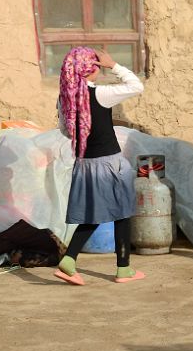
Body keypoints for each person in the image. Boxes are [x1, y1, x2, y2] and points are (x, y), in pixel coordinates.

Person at [52, 47, 145, 286]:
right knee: (122, 213)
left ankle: (69, 261)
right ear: (90, 70)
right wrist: (113, 65)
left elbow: (66, 130)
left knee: (93, 215)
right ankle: (123, 269)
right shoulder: (101, 94)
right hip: (110, 164)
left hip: (85, 164)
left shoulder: (65, 98)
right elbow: (136, 86)